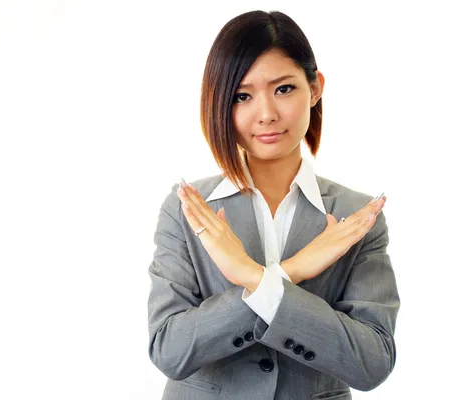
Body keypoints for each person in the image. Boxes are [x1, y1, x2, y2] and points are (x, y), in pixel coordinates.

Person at [147, 9, 400, 400]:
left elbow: (372, 362)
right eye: (242, 96)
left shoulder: (357, 218)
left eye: (284, 89)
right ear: (221, 104)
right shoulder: (187, 209)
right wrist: (291, 272)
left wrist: (252, 277)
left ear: (315, 88)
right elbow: (169, 351)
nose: (266, 114)